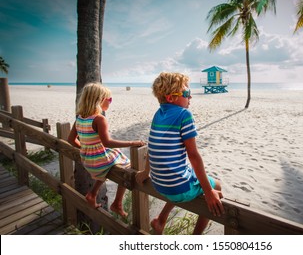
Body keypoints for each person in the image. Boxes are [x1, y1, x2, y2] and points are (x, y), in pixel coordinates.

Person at [136, 72, 225, 234]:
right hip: (176, 187)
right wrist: (208, 191)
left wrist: (146, 171)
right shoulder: (185, 115)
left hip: (158, 183)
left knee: (186, 174)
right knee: (216, 185)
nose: (191, 98)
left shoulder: (158, 114)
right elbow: (193, 155)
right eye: (187, 94)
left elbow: (153, 146)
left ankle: (161, 219)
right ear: (171, 98)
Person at [68, 82, 145, 219]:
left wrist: (86, 148)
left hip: (87, 160)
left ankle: (93, 194)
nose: (110, 102)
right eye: (109, 99)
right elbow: (107, 142)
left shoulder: (79, 118)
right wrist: (133, 142)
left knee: (106, 167)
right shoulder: (99, 119)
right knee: (128, 166)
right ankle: (117, 203)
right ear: (99, 100)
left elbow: (71, 140)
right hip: (98, 160)